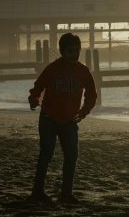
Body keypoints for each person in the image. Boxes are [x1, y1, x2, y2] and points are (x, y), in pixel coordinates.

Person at [27, 33, 97, 205]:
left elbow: (92, 95)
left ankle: (66, 193)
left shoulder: (83, 71)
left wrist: (83, 112)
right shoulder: (52, 69)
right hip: (49, 118)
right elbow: (38, 87)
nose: (75, 54)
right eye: (70, 51)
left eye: (77, 51)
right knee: (46, 154)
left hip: (70, 121)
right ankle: (37, 191)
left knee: (72, 155)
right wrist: (34, 99)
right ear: (62, 51)